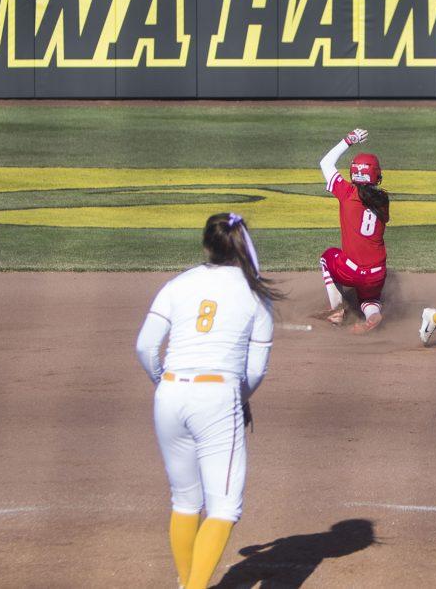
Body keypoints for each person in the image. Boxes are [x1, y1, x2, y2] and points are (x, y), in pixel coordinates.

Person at [135, 212, 282, 589]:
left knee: (185, 501)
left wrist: (164, 383)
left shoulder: (177, 284)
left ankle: (187, 583)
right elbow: (256, 370)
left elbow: (146, 346)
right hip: (218, 396)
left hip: (169, 394)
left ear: (206, 245)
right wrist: (239, 397)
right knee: (224, 507)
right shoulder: (255, 294)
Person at [318, 128, 389, 333]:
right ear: (376, 175)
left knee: (327, 257)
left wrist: (349, 140)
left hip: (352, 270)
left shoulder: (347, 193)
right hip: (378, 272)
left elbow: (325, 163)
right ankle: (372, 313)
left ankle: (336, 312)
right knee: (369, 297)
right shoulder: (383, 200)